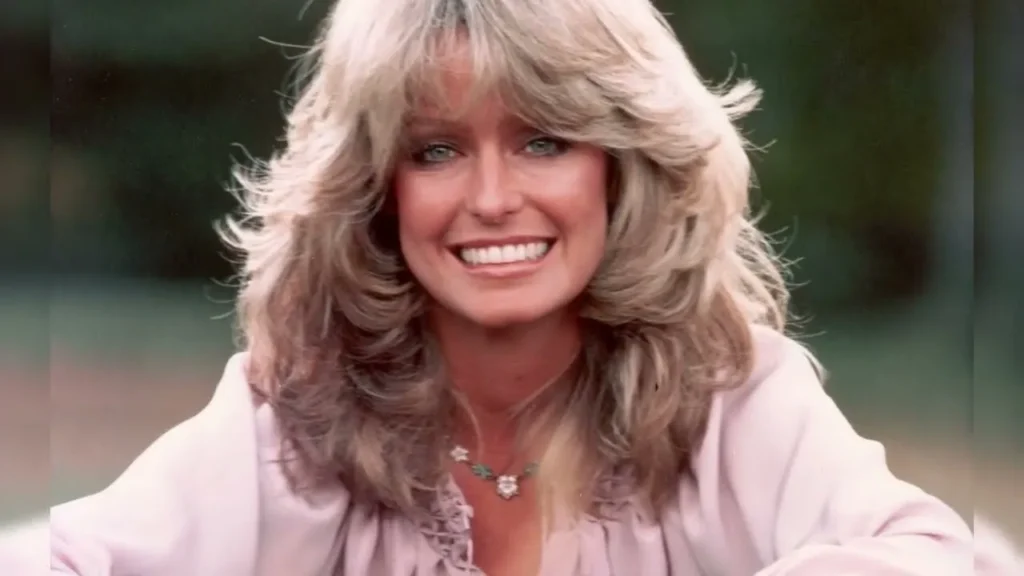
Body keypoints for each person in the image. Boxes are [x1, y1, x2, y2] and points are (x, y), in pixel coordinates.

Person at [4, 0, 992, 574]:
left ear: (623, 167)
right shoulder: (298, 416)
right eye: (435, 150)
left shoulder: (731, 397)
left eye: (543, 141)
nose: (490, 199)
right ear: (376, 191)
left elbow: (927, 555)